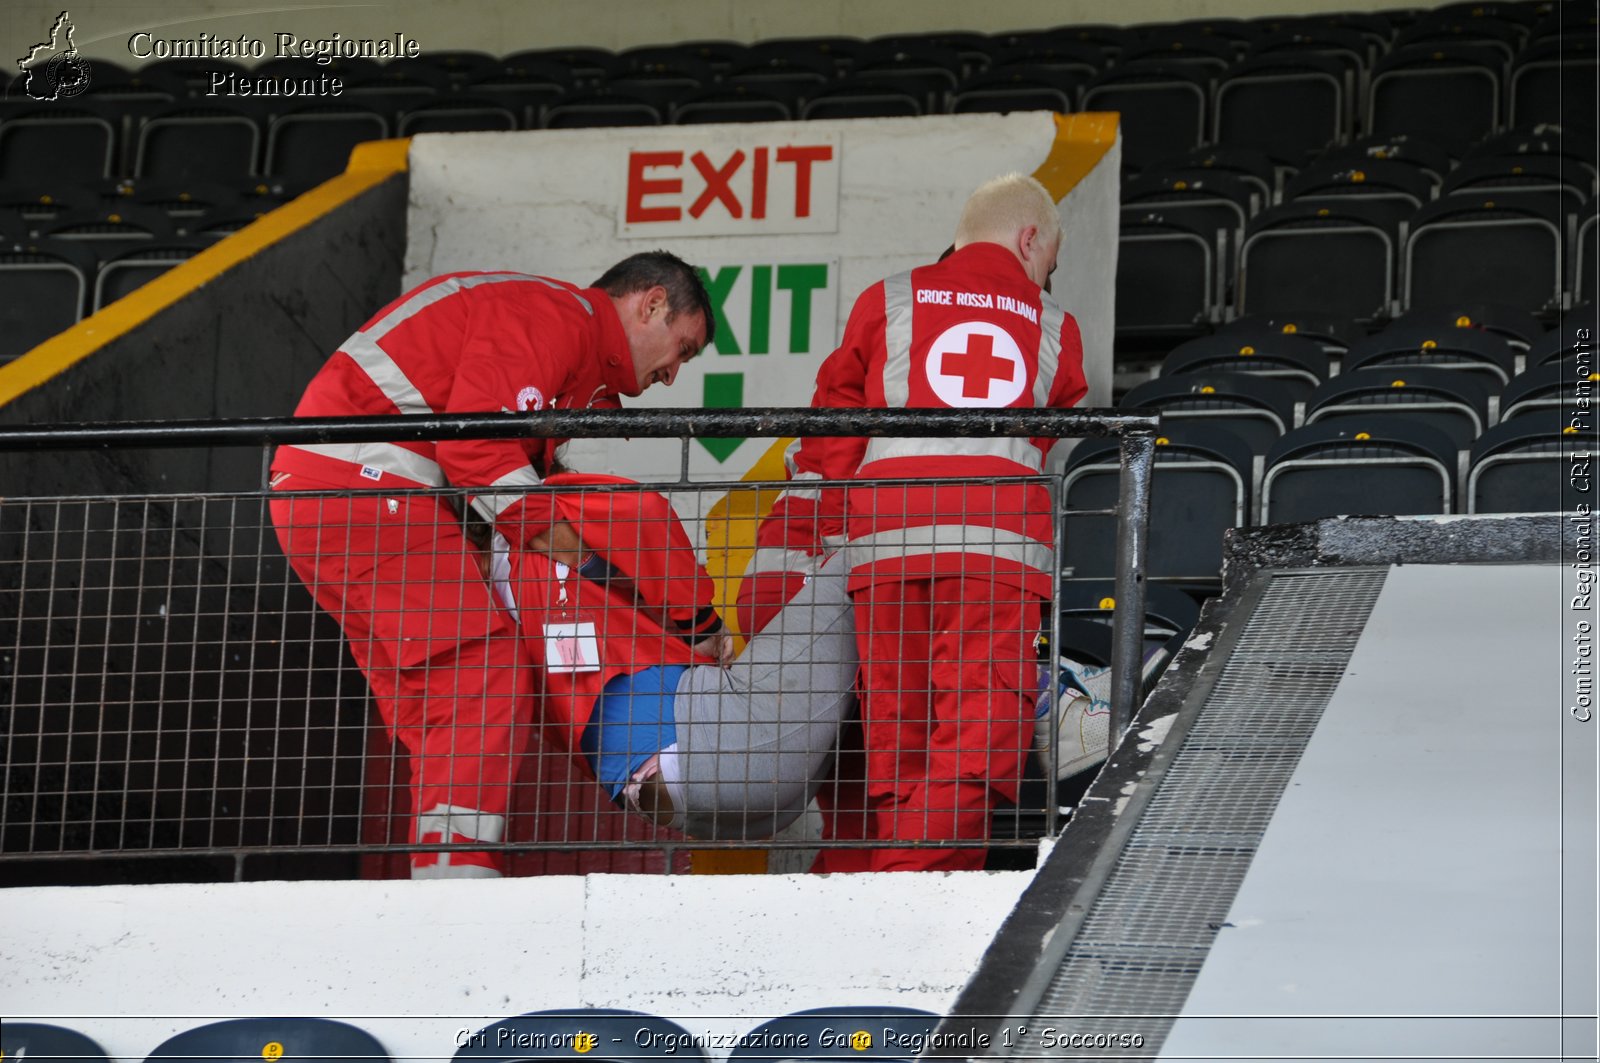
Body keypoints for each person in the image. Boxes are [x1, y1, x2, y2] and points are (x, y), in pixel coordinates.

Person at [268, 252, 714, 878]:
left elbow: (490, 469)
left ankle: (442, 869)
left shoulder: (562, 343)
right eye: (683, 349)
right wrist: (590, 568)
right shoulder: (553, 315)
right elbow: (477, 446)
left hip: (329, 495)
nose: (673, 375)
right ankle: (457, 874)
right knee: (485, 668)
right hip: (364, 488)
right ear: (652, 305)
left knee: (436, 702)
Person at [806, 173, 1089, 872]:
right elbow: (1049, 424)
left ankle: (899, 896)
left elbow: (833, 419)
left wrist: (846, 517)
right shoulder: (1052, 323)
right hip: (995, 548)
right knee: (978, 734)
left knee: (896, 734)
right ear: (1030, 239)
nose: (1045, 276)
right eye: (1048, 261)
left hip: (884, 546)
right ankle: (908, 898)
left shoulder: (887, 298)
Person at [490, 473, 857, 841]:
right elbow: (645, 511)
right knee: (863, 558)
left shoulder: (481, 606)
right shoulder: (543, 509)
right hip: (717, 755)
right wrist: (703, 625)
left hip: (674, 803)